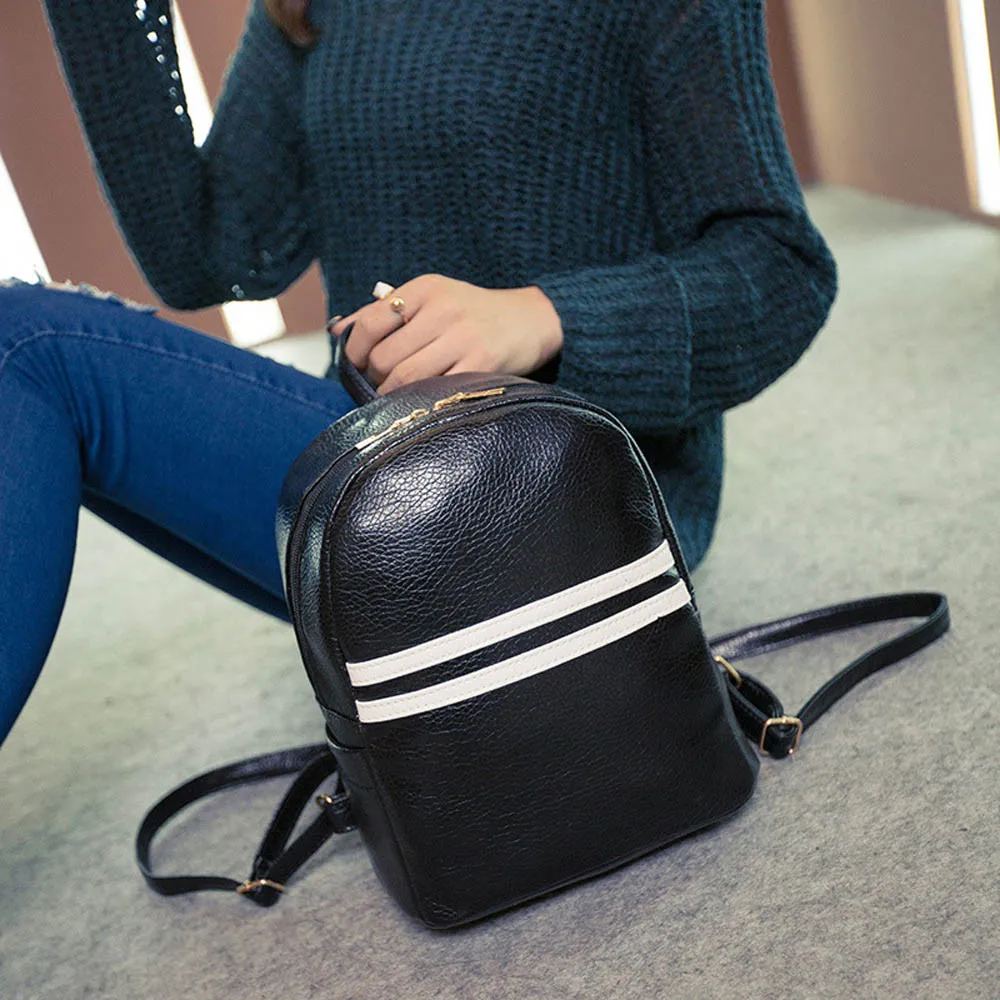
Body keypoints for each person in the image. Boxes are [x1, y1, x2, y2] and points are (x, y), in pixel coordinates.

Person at [0, 0, 836, 744]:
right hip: (377, 480)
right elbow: (207, 253)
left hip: (576, 503)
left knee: (30, 346)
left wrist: (543, 318)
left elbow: (781, 270)